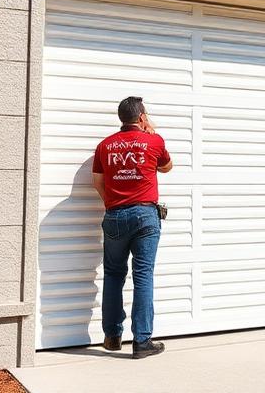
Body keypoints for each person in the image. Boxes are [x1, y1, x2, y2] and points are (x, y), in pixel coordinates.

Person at [92, 96, 173, 358]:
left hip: (114, 215)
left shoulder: (104, 146)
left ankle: (112, 337)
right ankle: (142, 342)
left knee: (114, 275)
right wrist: (152, 129)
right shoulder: (154, 141)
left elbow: (97, 180)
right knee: (143, 275)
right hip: (145, 216)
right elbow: (167, 167)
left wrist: (112, 204)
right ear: (141, 117)